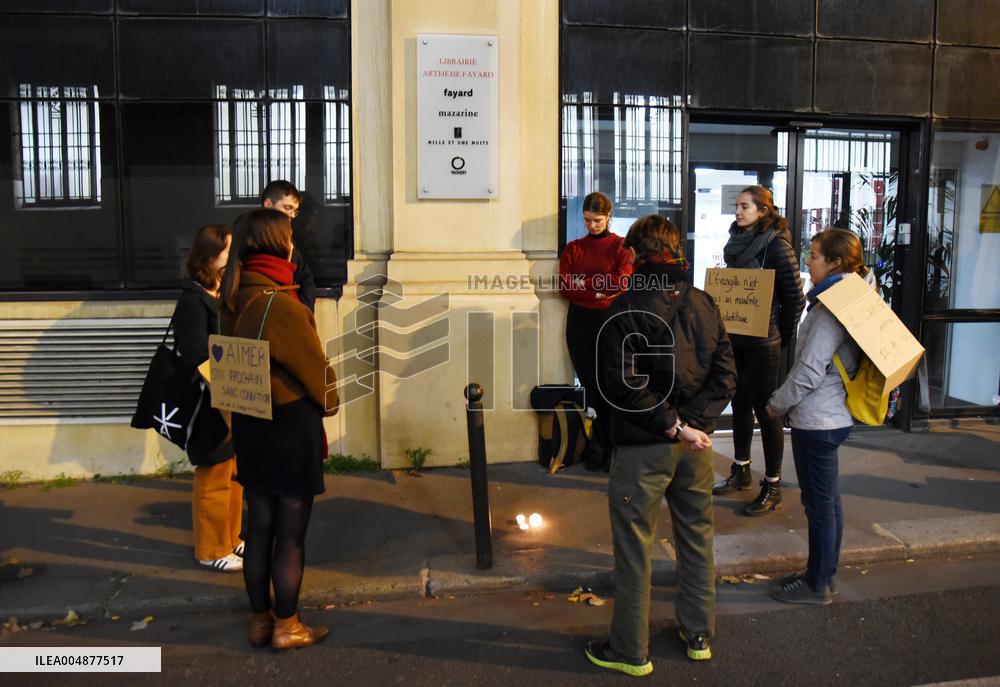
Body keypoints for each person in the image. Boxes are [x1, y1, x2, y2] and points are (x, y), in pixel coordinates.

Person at [585, 215, 737, 676]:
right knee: (697, 537)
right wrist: (692, 426)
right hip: (695, 447)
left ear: (637, 255)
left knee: (634, 548)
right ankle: (698, 635)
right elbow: (725, 375)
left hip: (645, 447)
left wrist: (675, 425)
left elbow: (623, 386)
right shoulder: (704, 303)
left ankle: (629, 651)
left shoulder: (624, 309)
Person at [219, 208, 339, 650]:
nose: (293, 243)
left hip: (250, 422)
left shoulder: (232, 295)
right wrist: (331, 399)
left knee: (259, 528)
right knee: (290, 533)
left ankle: (260, 621)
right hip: (289, 425)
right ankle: (288, 625)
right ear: (278, 244)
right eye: (289, 236)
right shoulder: (282, 303)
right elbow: (316, 373)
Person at [765, 228, 866, 605]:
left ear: (835, 263)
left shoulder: (830, 311)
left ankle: (817, 584)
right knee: (828, 502)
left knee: (819, 505)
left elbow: (809, 370)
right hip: (833, 415)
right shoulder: (852, 296)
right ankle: (823, 574)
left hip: (818, 419)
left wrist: (777, 403)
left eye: (815, 256)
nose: (808, 261)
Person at [713, 185, 805, 516]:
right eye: (737, 206)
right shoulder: (735, 241)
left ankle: (773, 484)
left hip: (764, 342)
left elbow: (795, 298)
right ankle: (741, 470)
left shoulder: (777, 245)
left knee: (767, 411)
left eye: (745, 206)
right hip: (736, 337)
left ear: (763, 210)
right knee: (739, 403)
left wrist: (781, 335)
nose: (737, 212)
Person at [173, 225, 243, 572]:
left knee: (233, 471)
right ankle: (211, 548)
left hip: (228, 396)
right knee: (213, 473)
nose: (234, 257)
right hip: (208, 401)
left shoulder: (220, 292)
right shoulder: (192, 299)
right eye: (228, 250)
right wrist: (223, 386)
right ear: (210, 255)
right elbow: (194, 353)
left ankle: (231, 538)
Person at [558, 191, 633, 471]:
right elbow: (565, 286)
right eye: (588, 220)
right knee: (591, 383)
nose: (592, 225)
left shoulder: (621, 247)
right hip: (580, 322)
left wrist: (584, 283)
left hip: (609, 321)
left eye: (597, 220)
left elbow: (620, 283)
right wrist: (600, 290)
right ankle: (601, 445)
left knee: (609, 384)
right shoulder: (574, 248)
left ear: (609, 216)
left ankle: (607, 447)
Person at [261, 180, 317, 312]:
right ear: (268, 204)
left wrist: (304, 311)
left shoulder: (289, 239)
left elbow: (306, 278)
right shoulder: (247, 236)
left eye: (295, 211)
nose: (292, 215)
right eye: (287, 208)